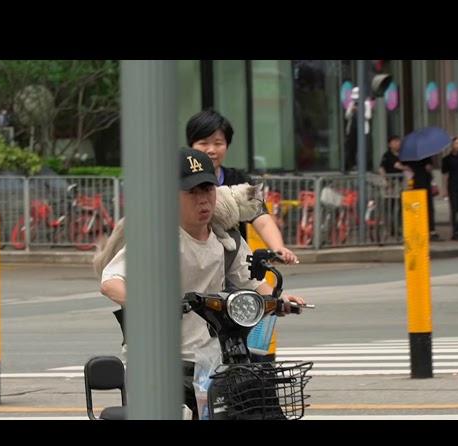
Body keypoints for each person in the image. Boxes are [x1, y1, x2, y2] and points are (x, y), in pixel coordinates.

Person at [99, 147, 306, 419]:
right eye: (192, 193)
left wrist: (280, 300)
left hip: (214, 363)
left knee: (263, 409)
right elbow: (110, 281)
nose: (203, 201)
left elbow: (251, 282)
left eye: (207, 190)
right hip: (162, 367)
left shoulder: (225, 239)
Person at [186, 109, 298, 265]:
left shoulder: (241, 180)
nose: (211, 150)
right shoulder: (179, 181)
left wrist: (278, 248)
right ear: (191, 145)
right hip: (193, 264)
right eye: (203, 143)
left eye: (218, 143)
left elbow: (262, 218)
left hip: (235, 267)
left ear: (227, 146)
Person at [402, 156, 439, 240]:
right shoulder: (408, 158)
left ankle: (430, 229)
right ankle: (424, 230)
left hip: (424, 184)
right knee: (419, 209)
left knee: (428, 208)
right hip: (416, 185)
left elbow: (429, 168)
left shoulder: (425, 156)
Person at [378, 135, 408, 236]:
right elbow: (382, 168)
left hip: (401, 183)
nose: (397, 144)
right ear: (389, 144)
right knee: (389, 208)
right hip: (391, 184)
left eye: (398, 141)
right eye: (395, 142)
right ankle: (390, 228)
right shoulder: (387, 155)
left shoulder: (403, 154)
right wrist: (385, 180)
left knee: (401, 207)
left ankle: (399, 228)